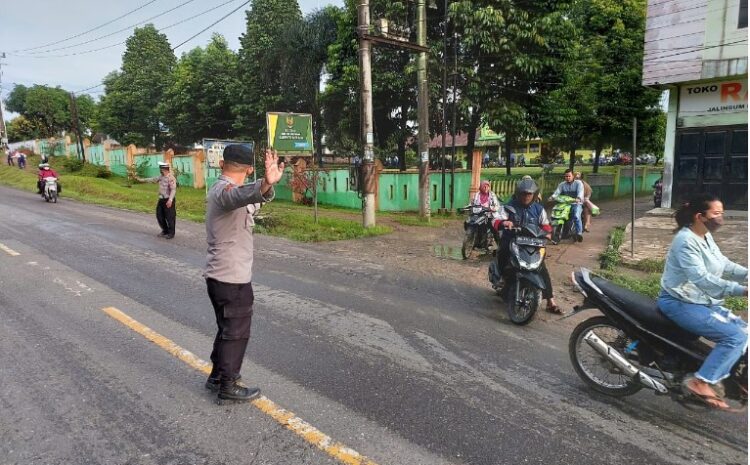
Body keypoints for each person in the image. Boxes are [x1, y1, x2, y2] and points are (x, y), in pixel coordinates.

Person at [204, 145, 284, 402]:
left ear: (221, 163)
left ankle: (217, 375)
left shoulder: (230, 192)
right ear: (250, 169)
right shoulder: (223, 191)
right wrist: (263, 183)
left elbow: (249, 199)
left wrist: (265, 188)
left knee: (227, 329)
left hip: (223, 276)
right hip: (230, 278)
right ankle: (228, 384)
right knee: (236, 332)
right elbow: (237, 197)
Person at [657, 194, 747, 411]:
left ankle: (738, 382)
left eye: (722, 213)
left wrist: (747, 275)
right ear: (700, 216)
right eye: (716, 214)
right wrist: (742, 290)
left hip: (702, 301)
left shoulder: (704, 235)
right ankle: (701, 380)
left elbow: (723, 264)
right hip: (681, 302)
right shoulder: (685, 241)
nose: (721, 218)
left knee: (746, 331)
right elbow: (702, 279)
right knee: (735, 337)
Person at [493, 178, 561, 313]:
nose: (526, 197)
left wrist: (548, 233)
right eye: (523, 194)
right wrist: (504, 223)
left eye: (529, 194)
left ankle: (550, 300)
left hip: (533, 243)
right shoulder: (509, 206)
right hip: (513, 240)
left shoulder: (538, 209)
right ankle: (501, 277)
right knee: (504, 251)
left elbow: (546, 224)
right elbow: (496, 220)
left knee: (542, 268)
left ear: (534, 195)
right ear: (518, 193)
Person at [549, 169, 584, 242]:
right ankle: (561, 232)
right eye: (566, 176)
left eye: (569, 176)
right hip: (565, 204)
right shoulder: (562, 184)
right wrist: (552, 197)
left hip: (576, 203)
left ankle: (579, 233)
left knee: (576, 216)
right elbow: (557, 192)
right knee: (558, 215)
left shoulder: (578, 183)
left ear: (573, 176)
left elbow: (580, 192)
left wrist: (578, 198)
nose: (568, 178)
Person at [471, 180, 502, 246]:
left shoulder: (492, 195)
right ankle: (475, 240)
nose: (486, 188)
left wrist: (493, 209)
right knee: (471, 223)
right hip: (478, 214)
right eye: (484, 186)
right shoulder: (476, 195)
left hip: (489, 215)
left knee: (493, 227)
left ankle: (499, 245)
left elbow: (496, 205)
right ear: (480, 187)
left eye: (487, 186)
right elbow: (472, 203)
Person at [156, 162, 177, 239]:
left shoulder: (171, 178)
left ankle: (171, 233)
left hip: (168, 199)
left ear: (164, 169)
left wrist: (170, 200)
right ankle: (165, 230)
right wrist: (140, 179)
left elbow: (173, 190)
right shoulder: (161, 177)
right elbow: (153, 179)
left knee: (170, 217)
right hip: (161, 199)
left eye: (161, 169)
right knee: (159, 216)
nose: (160, 170)